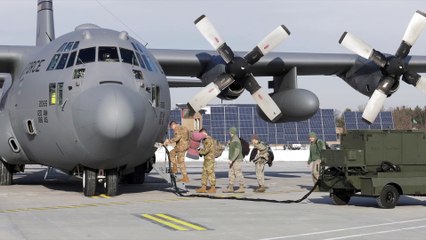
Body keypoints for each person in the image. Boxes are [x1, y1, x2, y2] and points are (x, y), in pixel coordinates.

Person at [223, 127, 245, 193]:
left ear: (231, 132)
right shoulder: (233, 139)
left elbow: (237, 151)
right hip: (233, 160)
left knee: (238, 173)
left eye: (229, 131)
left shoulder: (236, 140)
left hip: (237, 160)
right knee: (231, 173)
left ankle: (241, 187)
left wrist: (232, 159)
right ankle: (230, 187)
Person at [195, 128, 216, 193]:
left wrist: (199, 151)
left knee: (210, 172)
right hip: (207, 159)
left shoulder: (208, 140)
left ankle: (213, 187)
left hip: (209, 159)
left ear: (204, 133)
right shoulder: (205, 140)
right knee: (204, 173)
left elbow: (206, 150)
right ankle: (203, 187)